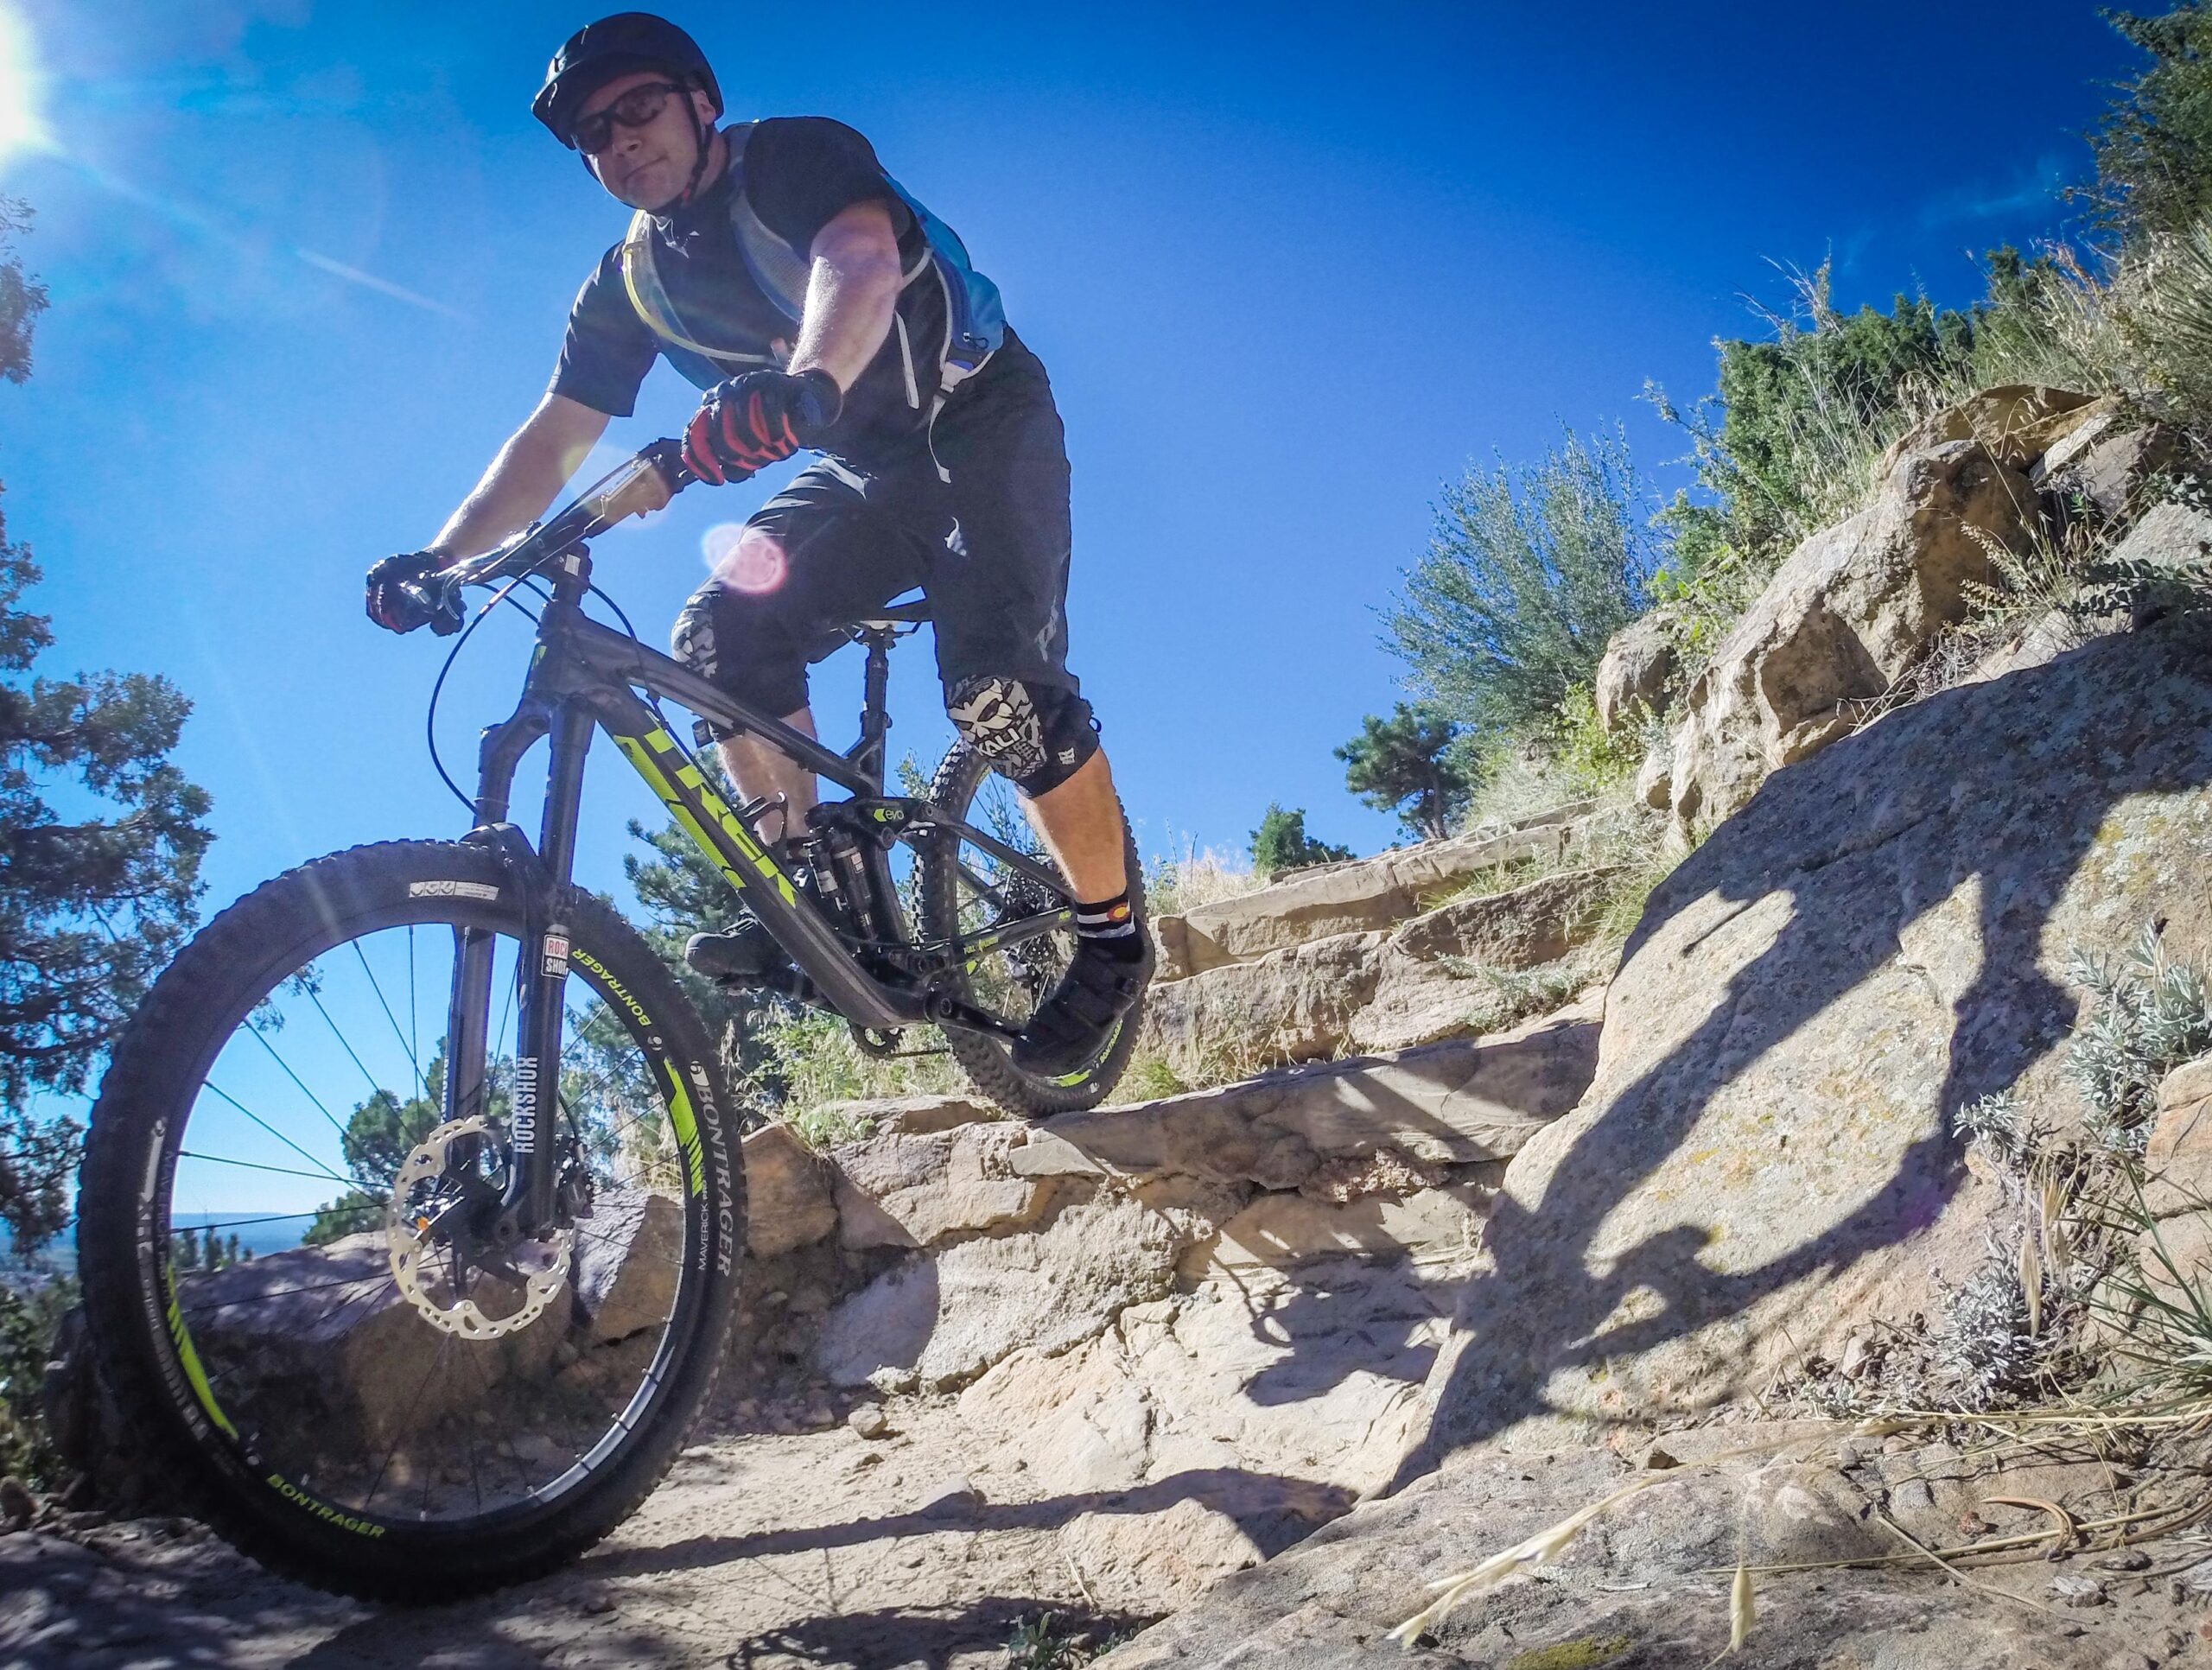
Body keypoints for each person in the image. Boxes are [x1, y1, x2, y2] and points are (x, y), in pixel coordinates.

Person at [363, 13, 1150, 1076]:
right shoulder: (628, 281)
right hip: (864, 469)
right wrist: (443, 557)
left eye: (636, 109)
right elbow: (556, 434)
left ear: (700, 101)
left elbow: (858, 259)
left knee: (998, 693)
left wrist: (811, 380)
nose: (617, 141)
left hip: (978, 420)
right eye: (591, 134)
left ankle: (1111, 939)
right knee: (721, 628)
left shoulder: (790, 156)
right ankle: (816, 901)